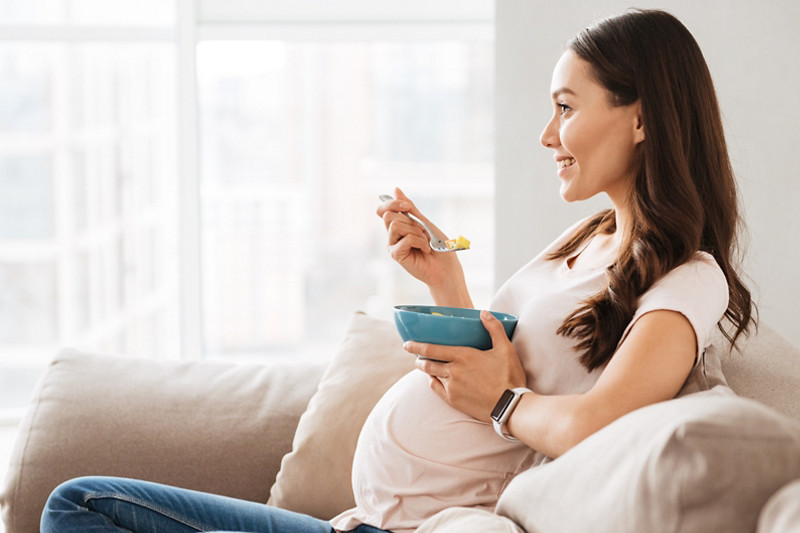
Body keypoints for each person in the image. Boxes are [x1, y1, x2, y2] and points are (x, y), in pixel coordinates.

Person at [40, 8, 754, 533]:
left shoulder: (690, 280)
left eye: (565, 109)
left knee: (82, 509)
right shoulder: (586, 235)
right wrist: (444, 280)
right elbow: (510, 355)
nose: (547, 135)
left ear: (641, 118)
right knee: (79, 502)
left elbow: (598, 424)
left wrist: (503, 404)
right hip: (368, 520)